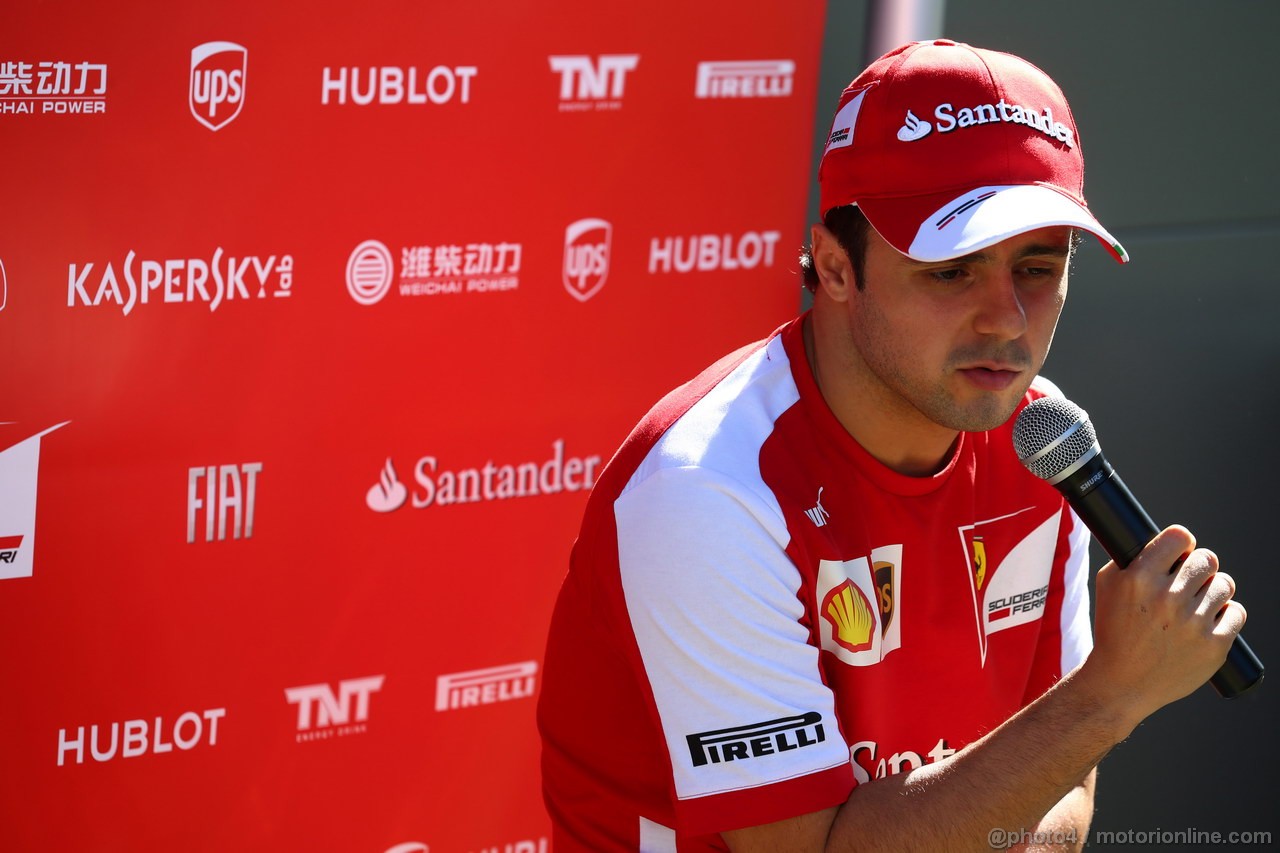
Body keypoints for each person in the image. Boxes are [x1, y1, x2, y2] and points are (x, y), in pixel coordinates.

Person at [536, 39, 1246, 852]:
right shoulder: (712, 488)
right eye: (951, 272)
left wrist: (1079, 724)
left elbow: (1063, 798)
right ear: (836, 266)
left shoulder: (1045, 440)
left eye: (1039, 268)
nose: (1007, 319)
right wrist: (1108, 696)